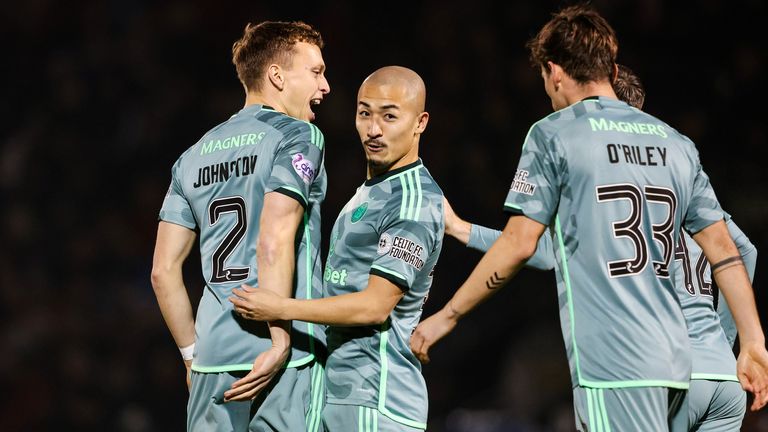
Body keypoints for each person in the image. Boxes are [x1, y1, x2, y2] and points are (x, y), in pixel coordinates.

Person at [410, 5, 768, 431]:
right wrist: (751, 341)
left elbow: (523, 245)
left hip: (617, 365)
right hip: (680, 362)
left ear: (555, 71)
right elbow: (727, 249)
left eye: (544, 78)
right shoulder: (676, 143)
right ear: (611, 70)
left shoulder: (554, 133)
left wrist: (446, 316)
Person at [230, 66, 444, 431]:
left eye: (389, 116)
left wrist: (281, 307)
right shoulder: (373, 190)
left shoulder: (412, 201)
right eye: (365, 114)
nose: (373, 130)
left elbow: (375, 306)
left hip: (377, 397)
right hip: (346, 392)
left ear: (420, 122)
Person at [150, 21, 330, 431]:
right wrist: (280, 337)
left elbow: (162, 273)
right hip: (287, 352)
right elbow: (274, 237)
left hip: (212, 358)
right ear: (277, 76)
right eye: (316, 72)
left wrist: (192, 356)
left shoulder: (191, 157)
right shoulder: (298, 135)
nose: (326, 86)